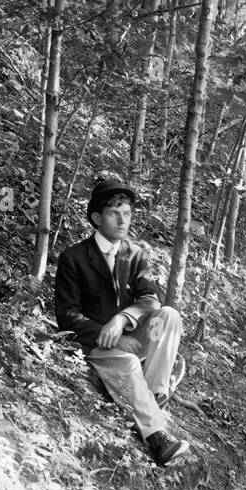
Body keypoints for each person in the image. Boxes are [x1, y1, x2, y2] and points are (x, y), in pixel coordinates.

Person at [54, 175, 190, 467]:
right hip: (96, 344)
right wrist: (110, 333)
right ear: (96, 217)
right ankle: (157, 438)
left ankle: (154, 393)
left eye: (126, 213)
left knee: (169, 315)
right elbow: (67, 314)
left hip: (130, 335)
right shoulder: (73, 258)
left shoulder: (136, 253)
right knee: (128, 364)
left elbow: (149, 299)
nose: (122, 220)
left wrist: (122, 320)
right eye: (114, 213)